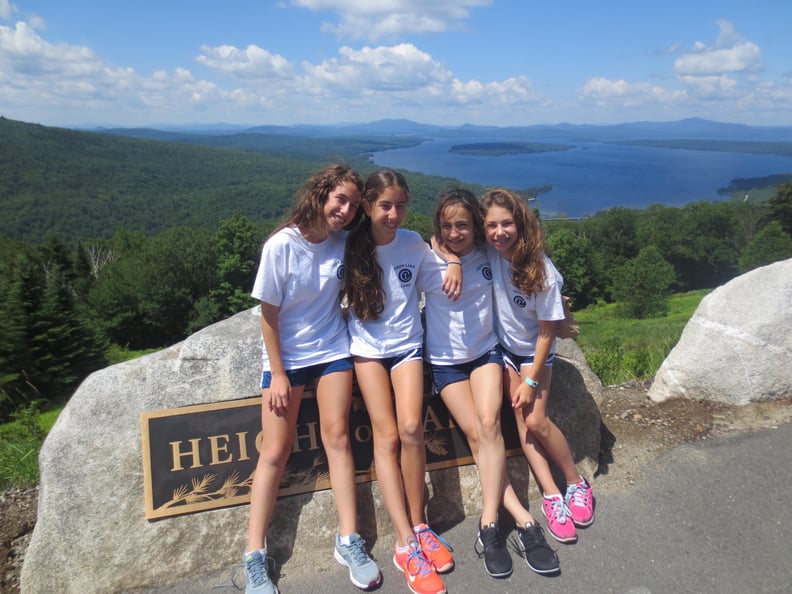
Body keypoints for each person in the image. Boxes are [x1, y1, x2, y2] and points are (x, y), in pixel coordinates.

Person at [244, 164, 381, 594]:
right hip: (288, 359)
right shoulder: (281, 246)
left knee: (337, 438)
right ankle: (254, 556)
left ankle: (348, 540)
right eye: (340, 199)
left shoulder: (343, 243)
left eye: (354, 204)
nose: (345, 210)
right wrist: (279, 374)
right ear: (320, 194)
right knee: (274, 452)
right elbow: (268, 316)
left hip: (332, 352)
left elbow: (392, 238)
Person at [423, 189, 559, 579]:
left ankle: (488, 524)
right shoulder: (427, 258)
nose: (454, 232)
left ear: (476, 228)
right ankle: (522, 519)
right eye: (447, 226)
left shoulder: (490, 255)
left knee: (489, 426)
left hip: (485, 354)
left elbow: (535, 280)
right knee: (479, 436)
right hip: (446, 365)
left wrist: (561, 311)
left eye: (463, 225)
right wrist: (450, 260)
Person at [343, 169, 455, 594]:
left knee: (412, 429)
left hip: (408, 346)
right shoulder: (351, 246)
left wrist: (458, 261)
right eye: (385, 205)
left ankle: (420, 523)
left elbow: (437, 281)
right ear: (368, 206)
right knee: (386, 436)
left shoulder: (412, 243)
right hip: (368, 351)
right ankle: (405, 542)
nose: (394, 214)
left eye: (401, 205)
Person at [481, 188, 595, 544]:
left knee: (535, 420)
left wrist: (531, 381)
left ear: (521, 224)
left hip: (533, 352)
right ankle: (550, 494)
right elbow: (443, 238)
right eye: (491, 225)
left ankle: (576, 482)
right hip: (505, 351)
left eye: (506, 224)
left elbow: (547, 332)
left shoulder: (541, 269)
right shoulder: (490, 252)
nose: (499, 232)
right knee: (520, 421)